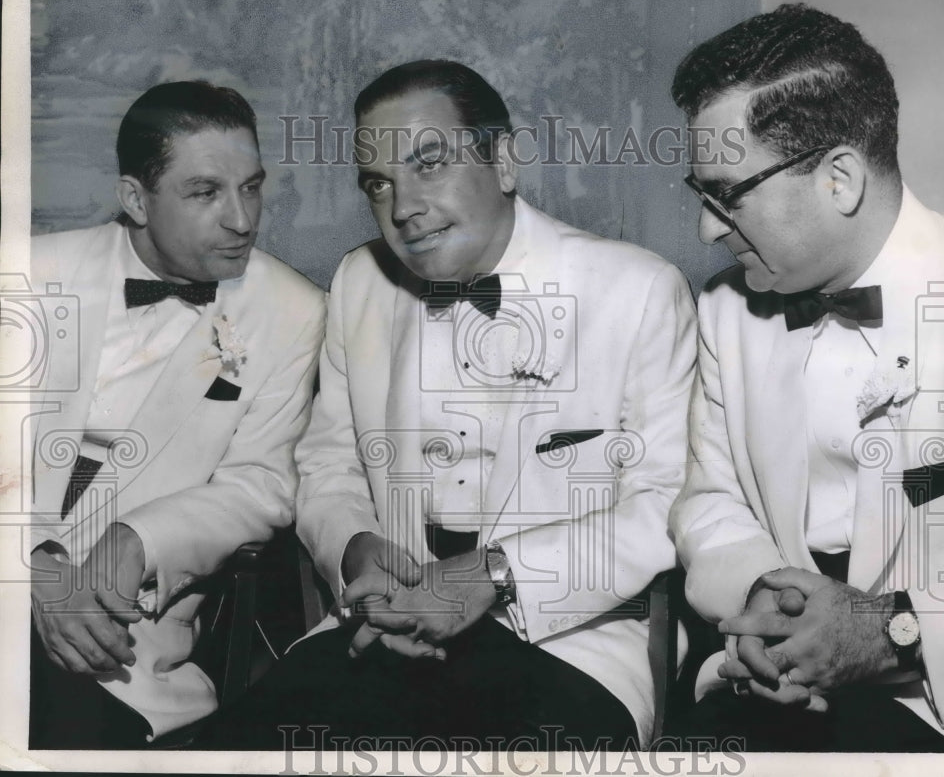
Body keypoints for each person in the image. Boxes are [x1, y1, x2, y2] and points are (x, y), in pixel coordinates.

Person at [198, 59, 697, 750]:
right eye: (380, 184)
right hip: (381, 627)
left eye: (429, 165)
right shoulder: (359, 281)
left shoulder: (638, 289)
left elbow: (664, 504)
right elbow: (329, 459)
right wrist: (356, 549)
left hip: (570, 643)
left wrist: (496, 576)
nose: (403, 207)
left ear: (504, 161)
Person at [668, 4, 944, 752]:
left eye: (728, 194)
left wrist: (897, 634)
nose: (707, 228)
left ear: (839, 177)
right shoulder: (723, 311)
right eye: (697, 193)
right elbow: (709, 499)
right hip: (763, 682)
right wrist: (761, 598)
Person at [28, 80, 326, 749]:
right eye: (205, 192)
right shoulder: (27, 273)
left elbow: (261, 484)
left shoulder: (292, 309)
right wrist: (38, 570)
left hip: (121, 655)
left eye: (251, 187)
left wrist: (140, 537)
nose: (242, 219)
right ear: (136, 198)